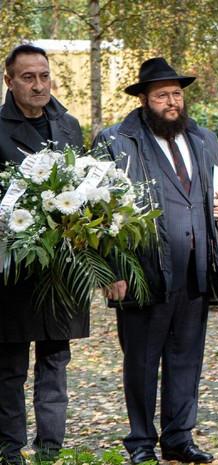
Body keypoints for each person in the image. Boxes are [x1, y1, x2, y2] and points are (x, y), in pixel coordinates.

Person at [94, 57, 218, 464]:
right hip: (142, 270)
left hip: (195, 266)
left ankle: (179, 437)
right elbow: (96, 211)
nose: (172, 102)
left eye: (176, 94)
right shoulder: (115, 141)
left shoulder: (203, 138)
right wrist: (111, 271)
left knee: (186, 356)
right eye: (161, 96)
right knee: (141, 360)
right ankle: (141, 442)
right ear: (143, 100)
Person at [0, 44, 88, 465]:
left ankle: (50, 448)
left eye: (44, 75)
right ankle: (9, 448)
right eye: (28, 77)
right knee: (9, 366)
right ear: (9, 81)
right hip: (12, 267)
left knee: (55, 361)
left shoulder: (68, 124)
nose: (39, 85)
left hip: (61, 266)